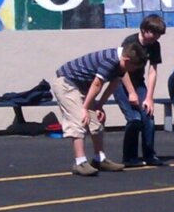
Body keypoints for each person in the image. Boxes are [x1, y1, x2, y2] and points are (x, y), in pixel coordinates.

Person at [53, 42, 143, 176]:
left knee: (97, 120)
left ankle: (99, 159)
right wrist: (84, 108)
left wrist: (100, 105)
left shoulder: (121, 65)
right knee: (79, 119)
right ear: (126, 60)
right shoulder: (111, 60)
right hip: (67, 83)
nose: (133, 71)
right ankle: (80, 162)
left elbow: (114, 84)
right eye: (133, 67)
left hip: (83, 87)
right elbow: (97, 84)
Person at [112, 14, 167, 167]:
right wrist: (131, 93)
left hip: (138, 83)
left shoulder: (155, 45)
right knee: (134, 119)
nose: (155, 38)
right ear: (144, 30)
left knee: (148, 116)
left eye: (158, 35)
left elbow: (152, 71)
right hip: (121, 82)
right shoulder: (130, 42)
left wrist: (149, 97)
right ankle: (129, 157)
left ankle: (149, 154)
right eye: (153, 33)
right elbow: (123, 70)